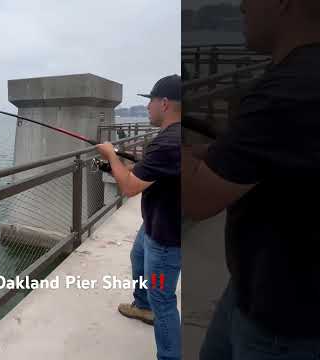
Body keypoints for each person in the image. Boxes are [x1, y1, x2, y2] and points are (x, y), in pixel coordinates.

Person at [182, 0, 320, 359]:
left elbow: (197, 200)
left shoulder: (288, 90)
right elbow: (262, 157)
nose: (242, 6)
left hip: (284, 319)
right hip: (257, 289)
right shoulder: (297, 80)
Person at [96, 75, 182, 360]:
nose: (147, 107)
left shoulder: (169, 142)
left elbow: (130, 187)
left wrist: (111, 155)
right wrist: (128, 161)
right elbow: (157, 170)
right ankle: (142, 305)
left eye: (151, 101)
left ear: (165, 103)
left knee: (164, 301)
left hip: (167, 236)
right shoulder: (175, 137)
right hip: (156, 222)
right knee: (137, 256)